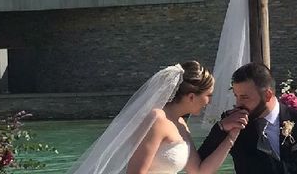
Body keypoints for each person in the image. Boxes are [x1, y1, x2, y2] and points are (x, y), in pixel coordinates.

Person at [70, 61, 245, 174]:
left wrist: (232, 136)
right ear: (191, 96)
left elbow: (199, 171)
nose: (209, 102)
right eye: (209, 96)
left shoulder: (181, 124)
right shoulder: (156, 119)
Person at [198, 62, 297, 174]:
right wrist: (221, 127)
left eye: (244, 97)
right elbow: (199, 163)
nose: (238, 104)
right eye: (236, 96)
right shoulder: (232, 122)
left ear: (268, 95)